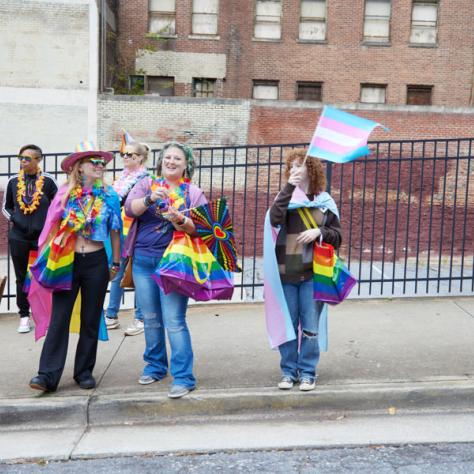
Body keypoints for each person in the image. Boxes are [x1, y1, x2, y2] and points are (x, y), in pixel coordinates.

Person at [29, 144, 122, 393]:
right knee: (60, 318)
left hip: (96, 262)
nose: (100, 166)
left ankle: (83, 372)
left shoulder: (110, 196)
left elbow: (115, 231)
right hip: (68, 262)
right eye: (94, 161)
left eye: (102, 163)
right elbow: (50, 228)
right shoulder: (65, 193)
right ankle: (47, 375)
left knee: (90, 319)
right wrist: (44, 258)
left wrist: (116, 263)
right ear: (79, 166)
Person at [124, 141, 207, 399]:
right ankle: (155, 366)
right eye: (167, 157)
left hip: (173, 262)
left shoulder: (193, 192)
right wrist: (149, 199)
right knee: (150, 318)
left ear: (186, 165)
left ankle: (183, 377)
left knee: (174, 320)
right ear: (161, 162)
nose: (171, 162)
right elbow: (129, 208)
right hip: (142, 260)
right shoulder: (146, 184)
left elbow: (201, 227)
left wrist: (180, 219)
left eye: (177, 159)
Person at [268, 149, 342, 392]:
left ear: (311, 170)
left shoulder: (325, 202)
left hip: (314, 273)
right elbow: (275, 219)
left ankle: (308, 372)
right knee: (288, 325)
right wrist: (288, 187)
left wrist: (320, 232)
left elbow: (338, 237)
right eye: (291, 166)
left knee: (310, 327)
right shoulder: (285, 198)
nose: (294, 170)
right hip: (286, 272)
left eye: (299, 166)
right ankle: (289, 372)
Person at [2, 144, 58, 333]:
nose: (23, 161)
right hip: (19, 237)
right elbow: (6, 207)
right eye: (21, 158)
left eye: (27, 158)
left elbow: (57, 206)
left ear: (38, 160)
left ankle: (45, 316)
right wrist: (17, 221)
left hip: (41, 239)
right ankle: (24, 316)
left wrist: (49, 227)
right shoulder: (12, 181)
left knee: (43, 276)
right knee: (20, 277)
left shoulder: (49, 181)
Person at [104, 141, 149, 335]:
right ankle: (111, 316)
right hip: (120, 231)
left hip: (136, 232)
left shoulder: (145, 179)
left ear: (140, 158)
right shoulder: (121, 178)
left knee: (138, 274)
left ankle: (140, 318)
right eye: (124, 154)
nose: (126, 157)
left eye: (130, 155)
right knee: (118, 272)